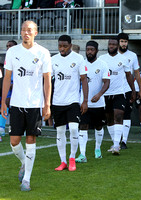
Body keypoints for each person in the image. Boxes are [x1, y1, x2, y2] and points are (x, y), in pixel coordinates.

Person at [1, 20, 52, 191]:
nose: (26, 33)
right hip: (16, 104)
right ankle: (24, 162)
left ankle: (27, 180)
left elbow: (47, 80)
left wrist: (47, 104)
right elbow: (7, 78)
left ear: (35, 33)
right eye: (23, 30)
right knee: (14, 141)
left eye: (29, 30)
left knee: (31, 140)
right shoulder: (12, 52)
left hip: (34, 105)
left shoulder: (43, 53)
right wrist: (2, 102)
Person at [52, 35, 88, 171]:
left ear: (70, 46)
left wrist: (84, 100)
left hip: (73, 101)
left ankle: (72, 158)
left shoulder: (78, 59)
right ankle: (63, 161)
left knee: (73, 129)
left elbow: (84, 80)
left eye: (65, 46)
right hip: (57, 101)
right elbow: (48, 81)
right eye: (60, 46)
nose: (62, 48)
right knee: (60, 132)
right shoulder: (53, 60)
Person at [99, 37, 136, 155]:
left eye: (114, 44)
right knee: (109, 119)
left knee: (119, 116)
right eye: (110, 44)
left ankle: (116, 146)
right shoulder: (102, 59)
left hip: (119, 92)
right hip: (106, 94)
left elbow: (129, 76)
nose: (111, 46)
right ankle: (114, 141)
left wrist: (133, 90)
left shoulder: (124, 59)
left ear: (117, 46)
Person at [75, 41, 110, 163]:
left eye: (92, 49)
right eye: (87, 49)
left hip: (98, 103)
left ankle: (97, 149)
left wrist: (99, 95)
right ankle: (82, 154)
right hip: (83, 103)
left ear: (97, 51)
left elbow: (106, 82)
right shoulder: (81, 64)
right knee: (83, 126)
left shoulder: (103, 64)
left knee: (98, 126)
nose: (89, 51)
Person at [117, 33, 141, 149]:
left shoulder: (132, 56)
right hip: (114, 90)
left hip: (128, 89)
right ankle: (116, 139)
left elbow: (136, 73)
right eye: (122, 41)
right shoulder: (112, 55)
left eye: (125, 42)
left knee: (127, 114)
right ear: (118, 42)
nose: (124, 44)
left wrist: (139, 90)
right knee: (115, 115)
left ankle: (124, 141)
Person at [0, 40, 17, 140]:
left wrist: (14, 83)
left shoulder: (20, 58)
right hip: (8, 86)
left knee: (14, 107)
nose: (8, 47)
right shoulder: (7, 58)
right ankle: (1, 128)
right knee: (5, 103)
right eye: (7, 46)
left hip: (18, 86)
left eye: (10, 45)